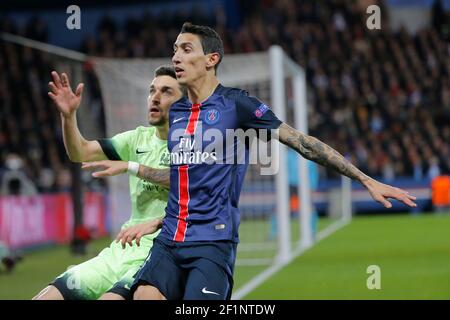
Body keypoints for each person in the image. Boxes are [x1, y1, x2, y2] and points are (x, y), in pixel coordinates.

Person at [97, 22, 416, 300]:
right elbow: (185, 179)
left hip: (212, 243)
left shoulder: (237, 105)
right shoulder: (177, 112)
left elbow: (303, 143)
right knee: (144, 295)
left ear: (211, 59)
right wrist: (152, 211)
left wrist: (366, 179)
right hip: (169, 241)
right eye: (174, 50)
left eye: (185, 49)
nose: (175, 56)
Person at [33, 65, 183, 300]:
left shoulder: (193, 145)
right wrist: (68, 117)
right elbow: (81, 152)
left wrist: (132, 167)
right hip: (123, 247)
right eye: (152, 90)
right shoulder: (136, 139)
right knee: (48, 296)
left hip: (159, 252)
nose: (155, 97)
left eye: (166, 92)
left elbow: (187, 181)